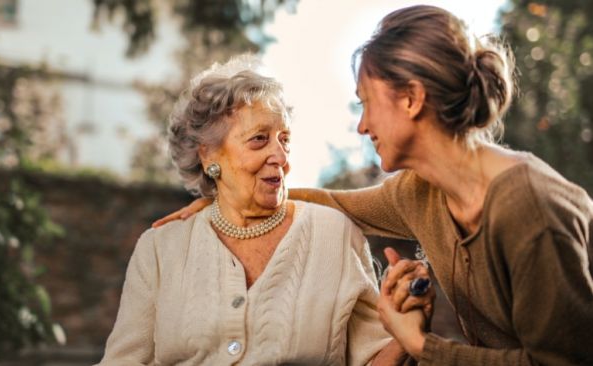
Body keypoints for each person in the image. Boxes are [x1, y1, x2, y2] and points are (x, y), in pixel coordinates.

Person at [152, 5, 593, 366]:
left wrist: (421, 345)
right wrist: (227, 199)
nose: (362, 126)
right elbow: (333, 203)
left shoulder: (530, 208)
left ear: (411, 99)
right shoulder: (421, 192)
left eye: (366, 104)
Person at [97, 55, 433, 365]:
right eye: (260, 139)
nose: (281, 157)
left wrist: (406, 336)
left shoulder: (335, 235)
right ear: (208, 155)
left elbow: (373, 359)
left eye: (284, 139)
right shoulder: (160, 249)